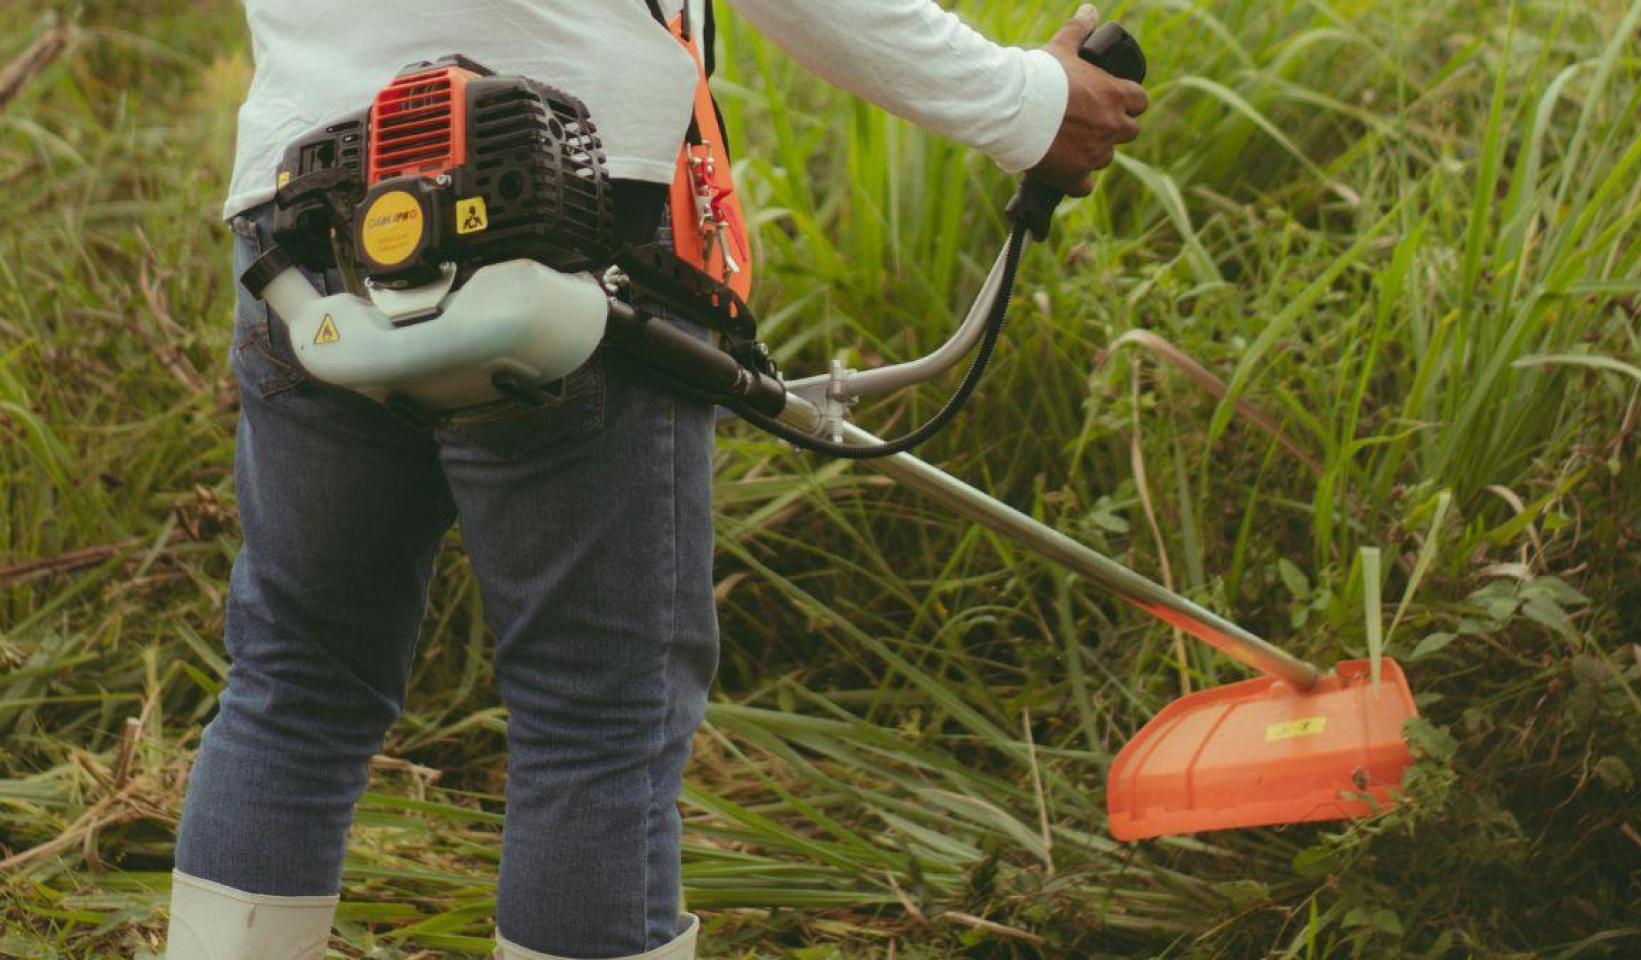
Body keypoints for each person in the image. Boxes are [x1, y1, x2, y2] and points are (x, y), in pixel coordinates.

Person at [165, 1, 1146, 958]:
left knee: (296, 686)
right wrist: (1025, 103)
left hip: (301, 227)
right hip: (556, 199)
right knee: (590, 719)